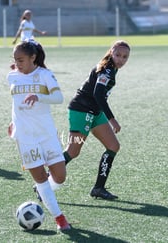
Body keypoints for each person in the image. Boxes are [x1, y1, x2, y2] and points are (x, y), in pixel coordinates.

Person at [7, 40, 71, 231]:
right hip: (25, 136)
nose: (17, 63)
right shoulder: (11, 76)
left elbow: (59, 98)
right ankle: (59, 218)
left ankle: (44, 194)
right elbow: (16, 102)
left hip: (46, 133)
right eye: (15, 60)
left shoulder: (44, 75)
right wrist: (12, 121)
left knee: (60, 177)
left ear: (33, 57)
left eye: (21, 60)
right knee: (40, 177)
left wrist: (39, 96)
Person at [62, 40, 131, 200]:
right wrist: (112, 119)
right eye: (118, 55)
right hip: (82, 110)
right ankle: (44, 181)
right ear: (111, 52)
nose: (121, 59)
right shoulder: (106, 70)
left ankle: (98, 188)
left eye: (125, 57)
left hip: (95, 112)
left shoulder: (112, 68)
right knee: (73, 151)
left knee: (113, 146)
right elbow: (98, 95)